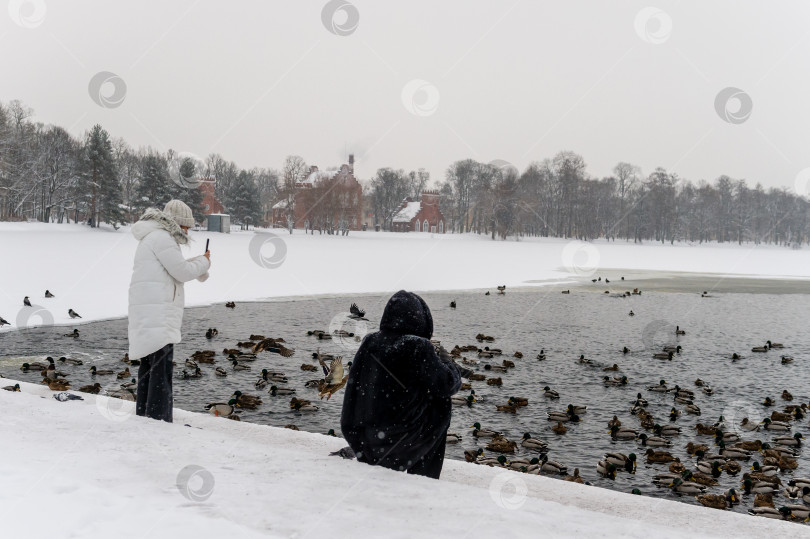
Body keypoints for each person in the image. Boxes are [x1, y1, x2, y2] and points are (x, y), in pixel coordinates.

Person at [340, 290, 462, 479]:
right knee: (441, 404)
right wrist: (448, 363)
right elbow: (447, 385)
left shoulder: (370, 341)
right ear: (423, 319)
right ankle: (425, 477)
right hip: (395, 447)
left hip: (363, 442)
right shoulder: (418, 346)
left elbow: (353, 390)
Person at [128, 200, 210, 422]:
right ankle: (159, 419)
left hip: (148, 314)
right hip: (159, 315)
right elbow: (181, 272)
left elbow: (172, 268)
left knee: (148, 367)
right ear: (176, 223)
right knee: (161, 371)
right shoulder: (163, 238)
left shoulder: (151, 237)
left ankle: (145, 416)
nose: (187, 231)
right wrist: (204, 262)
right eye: (185, 226)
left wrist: (198, 264)